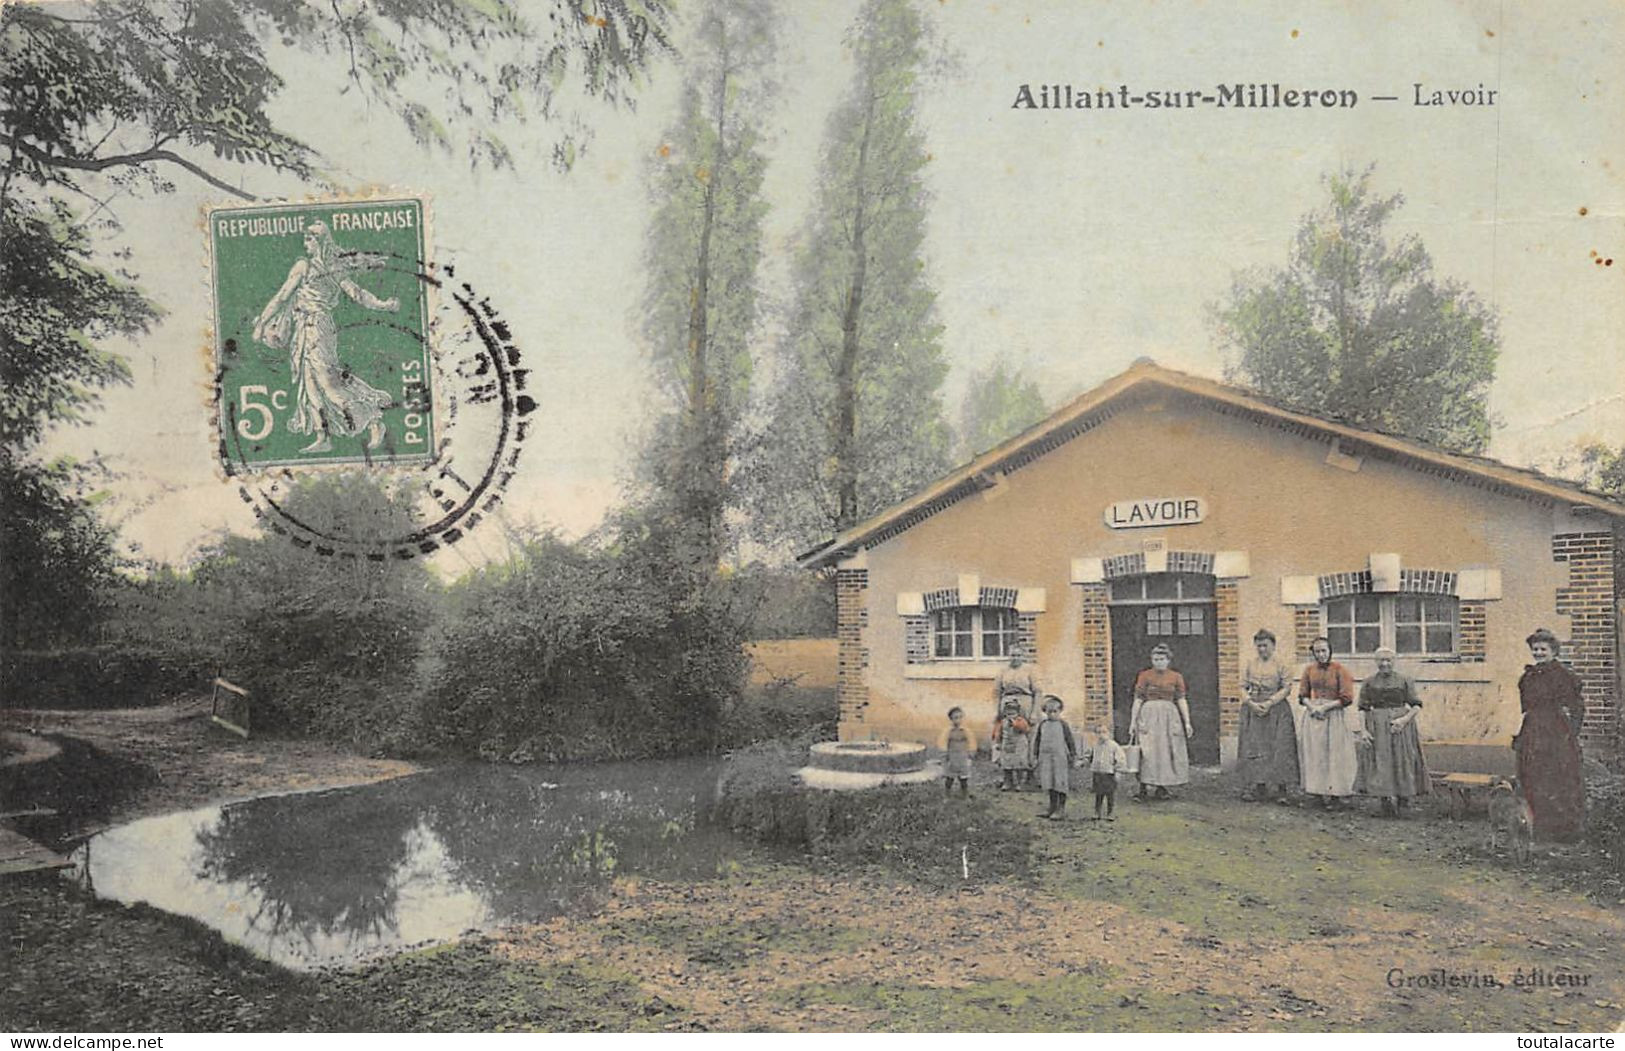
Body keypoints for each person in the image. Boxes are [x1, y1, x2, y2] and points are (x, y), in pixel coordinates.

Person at [253, 221, 398, 454]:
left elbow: (356, 294)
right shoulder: (312, 265)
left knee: (327, 383)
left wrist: (382, 305)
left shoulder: (320, 266)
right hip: (303, 327)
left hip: (317, 327)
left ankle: (373, 419)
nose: (305, 243)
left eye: (310, 239)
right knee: (309, 385)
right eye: (305, 239)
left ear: (320, 242)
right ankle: (323, 436)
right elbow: (284, 297)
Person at [1514, 628, 1586, 842]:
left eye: (1542, 649)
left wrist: (1570, 734)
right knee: (1533, 777)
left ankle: (1565, 831)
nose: (1538, 653)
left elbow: (1577, 708)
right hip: (1533, 731)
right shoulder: (1528, 676)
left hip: (1556, 732)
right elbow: (1527, 708)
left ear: (1553, 651)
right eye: (1535, 649)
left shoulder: (1564, 676)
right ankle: (1540, 829)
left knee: (1560, 779)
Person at [1355, 647, 1430, 817]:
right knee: (1382, 761)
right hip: (1378, 725)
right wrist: (1363, 730)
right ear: (1376, 662)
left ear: (1394, 661)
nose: (1385, 664)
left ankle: (1404, 798)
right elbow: (1362, 708)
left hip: (1400, 725)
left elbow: (1416, 705)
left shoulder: (1405, 680)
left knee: (1402, 759)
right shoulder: (1368, 682)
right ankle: (1385, 800)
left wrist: (1404, 720)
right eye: (1381, 660)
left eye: (1388, 660)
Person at [1238, 628, 1299, 804]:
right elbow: (1242, 686)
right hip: (1254, 708)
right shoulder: (1250, 664)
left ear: (1273, 645)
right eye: (1259, 646)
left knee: (1280, 747)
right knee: (1256, 747)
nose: (1262, 649)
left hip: (1277, 709)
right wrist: (1250, 702)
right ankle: (1259, 786)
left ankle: (1281, 789)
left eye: (1265, 646)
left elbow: (1287, 688)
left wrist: (1270, 702)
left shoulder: (1282, 664)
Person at [1297, 636, 1359, 809]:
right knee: (1316, 754)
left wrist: (1326, 708)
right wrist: (1312, 707)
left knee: (1335, 754)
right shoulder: (1309, 670)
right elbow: (1302, 695)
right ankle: (1316, 793)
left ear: (1330, 651)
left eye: (1324, 650)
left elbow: (1347, 698)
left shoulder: (1340, 670)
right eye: (1317, 651)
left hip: (1334, 714)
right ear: (1313, 653)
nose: (1321, 654)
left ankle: (1336, 796)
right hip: (1314, 715)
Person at [1130, 643, 1193, 801]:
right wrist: (1133, 722)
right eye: (1155, 659)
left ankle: (1161, 788)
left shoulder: (1176, 676)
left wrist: (1187, 722)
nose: (1158, 662)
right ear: (1151, 660)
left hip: (1169, 716)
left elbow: (1181, 699)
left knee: (1165, 751)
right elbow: (1138, 699)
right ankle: (1143, 788)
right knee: (1147, 750)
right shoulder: (1144, 675)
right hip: (1148, 715)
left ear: (1168, 660)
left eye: (1162, 659)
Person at [993, 647, 1041, 785]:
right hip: (1007, 703)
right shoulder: (1003, 671)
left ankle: (1030, 774)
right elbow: (997, 692)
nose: (1015, 658)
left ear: (1023, 656)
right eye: (1013, 655)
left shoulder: (1029, 670)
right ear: (1009, 656)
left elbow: (1038, 691)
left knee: (1028, 739)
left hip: (1026, 702)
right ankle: (1007, 775)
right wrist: (997, 712)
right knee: (1007, 738)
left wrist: (1034, 712)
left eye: (1018, 655)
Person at [1031, 695, 1078, 819]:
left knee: (1060, 782)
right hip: (1046, 758)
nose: (1052, 714)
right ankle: (1052, 807)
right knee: (1049, 782)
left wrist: (1073, 755)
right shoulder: (1043, 725)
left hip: (1059, 759)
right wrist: (1035, 755)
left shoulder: (1063, 725)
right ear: (1045, 711)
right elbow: (1037, 741)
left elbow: (1070, 741)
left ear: (1060, 711)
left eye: (1055, 711)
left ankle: (1061, 809)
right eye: (1049, 711)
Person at [1083, 718, 1128, 821]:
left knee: (1110, 794)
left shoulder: (1114, 746)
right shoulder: (1094, 745)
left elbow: (1120, 759)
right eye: (1098, 732)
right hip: (1098, 773)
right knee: (1099, 794)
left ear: (1109, 733)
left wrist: (1118, 771)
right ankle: (1097, 812)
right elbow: (1089, 755)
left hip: (1109, 774)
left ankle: (1110, 812)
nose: (1101, 735)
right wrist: (1084, 761)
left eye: (1104, 732)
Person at [991, 697, 1033, 791]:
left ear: (1018, 713)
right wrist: (998, 742)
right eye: (1008, 714)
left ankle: (1018, 783)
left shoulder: (1021, 721)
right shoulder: (1003, 722)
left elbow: (1026, 729)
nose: (1011, 716)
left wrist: (1015, 724)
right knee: (1007, 765)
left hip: (1019, 745)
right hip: (1007, 745)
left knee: (1018, 765)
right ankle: (1007, 782)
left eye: (1013, 713)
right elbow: (999, 732)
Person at [940, 706, 976, 798]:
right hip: (952, 757)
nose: (958, 720)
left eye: (960, 717)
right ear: (951, 719)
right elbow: (943, 742)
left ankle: (965, 794)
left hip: (962, 757)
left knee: (963, 778)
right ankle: (947, 795)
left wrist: (971, 752)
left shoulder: (965, 731)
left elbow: (971, 741)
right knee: (949, 778)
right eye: (955, 718)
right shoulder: (948, 731)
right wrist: (944, 753)